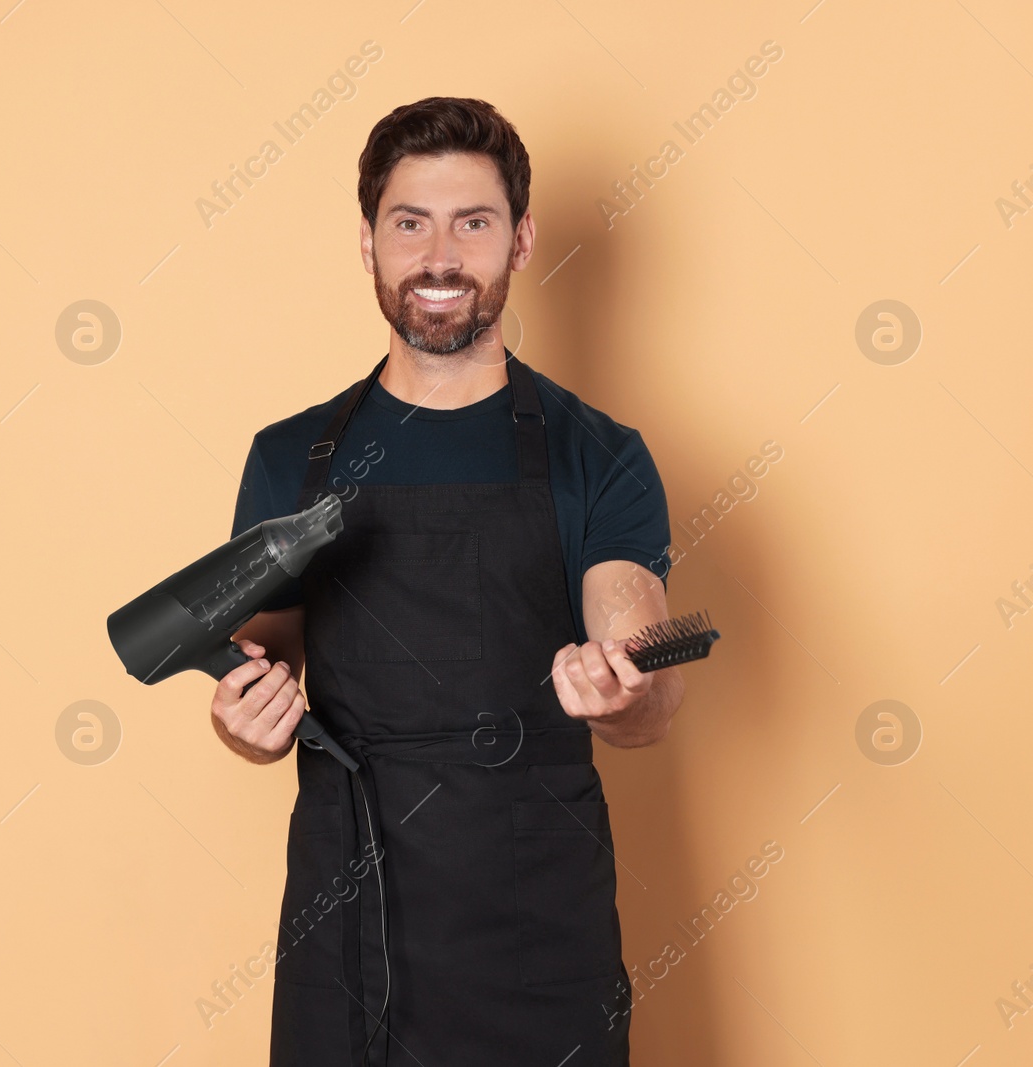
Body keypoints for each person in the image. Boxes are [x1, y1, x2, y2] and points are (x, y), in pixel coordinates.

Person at [213, 97, 685, 1066]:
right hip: (346, 904)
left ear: (520, 240)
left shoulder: (597, 455)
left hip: (535, 926)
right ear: (367, 240)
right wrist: (241, 718)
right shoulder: (290, 458)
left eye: (472, 222)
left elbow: (646, 681)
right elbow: (251, 681)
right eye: (409, 222)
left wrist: (623, 684)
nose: (438, 255)